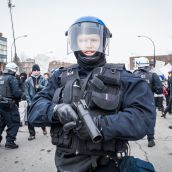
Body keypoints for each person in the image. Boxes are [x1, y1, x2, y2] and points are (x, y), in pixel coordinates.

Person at [28, 16, 156, 172]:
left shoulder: (124, 78)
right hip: (66, 165)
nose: (88, 45)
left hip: (107, 165)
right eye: (82, 40)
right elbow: (34, 110)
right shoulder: (59, 77)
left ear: (103, 42)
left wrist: (100, 125)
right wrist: (56, 111)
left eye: (94, 40)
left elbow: (143, 119)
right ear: (74, 43)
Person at [133, 57, 162, 147]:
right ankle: (150, 139)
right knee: (150, 120)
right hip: (149, 101)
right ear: (147, 65)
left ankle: (134, 135)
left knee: (135, 118)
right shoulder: (153, 75)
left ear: (138, 65)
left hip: (135, 101)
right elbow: (159, 89)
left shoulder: (133, 74)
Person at [0, 62, 21, 149]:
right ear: (13, 69)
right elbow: (16, 93)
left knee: (2, 122)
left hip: (1, 103)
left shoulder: (1, 77)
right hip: (9, 104)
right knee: (14, 122)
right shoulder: (12, 78)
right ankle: (10, 142)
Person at [25, 64, 48, 140]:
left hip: (40, 101)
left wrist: (40, 86)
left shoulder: (43, 79)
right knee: (30, 118)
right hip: (31, 101)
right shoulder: (28, 80)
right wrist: (29, 102)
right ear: (32, 71)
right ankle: (32, 134)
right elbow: (26, 93)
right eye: (35, 70)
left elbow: (48, 88)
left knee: (41, 117)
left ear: (39, 71)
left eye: (38, 70)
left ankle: (43, 128)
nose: (36, 72)